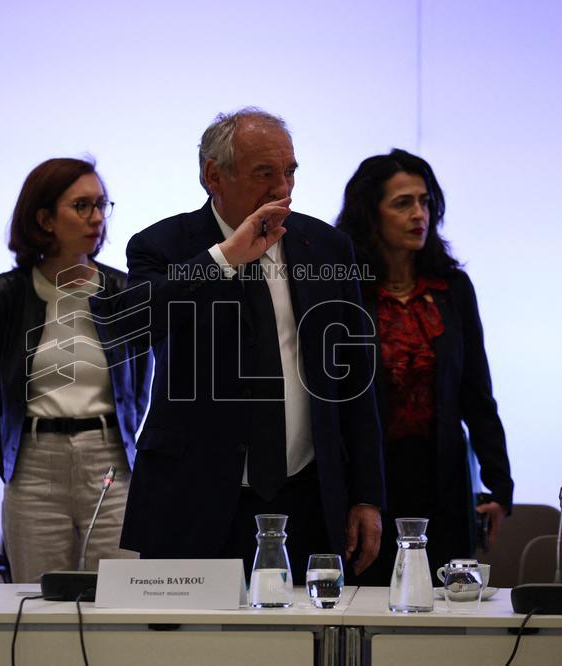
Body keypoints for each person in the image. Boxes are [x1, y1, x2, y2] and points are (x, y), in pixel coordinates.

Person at [119, 108, 386, 583]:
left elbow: (354, 381)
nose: (282, 189)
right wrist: (224, 258)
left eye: (290, 172)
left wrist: (367, 495)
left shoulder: (327, 247)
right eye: (264, 174)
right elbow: (135, 321)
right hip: (194, 497)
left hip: (306, 495)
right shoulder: (162, 245)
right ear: (213, 176)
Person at [335, 148, 513, 584]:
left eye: (425, 201)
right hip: (367, 484)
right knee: (365, 600)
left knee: (444, 601)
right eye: (403, 203)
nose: (420, 214)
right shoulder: (344, 287)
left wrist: (499, 485)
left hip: (442, 479)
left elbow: (477, 394)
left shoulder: (452, 288)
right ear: (370, 214)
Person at [0, 158, 151, 583]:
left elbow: (140, 387)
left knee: (119, 597)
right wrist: (17, 464)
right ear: (45, 219)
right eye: (82, 205)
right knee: (37, 602)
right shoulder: (2, 296)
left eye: (102, 205)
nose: (97, 218)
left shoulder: (124, 291)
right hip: (35, 466)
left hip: (110, 461)